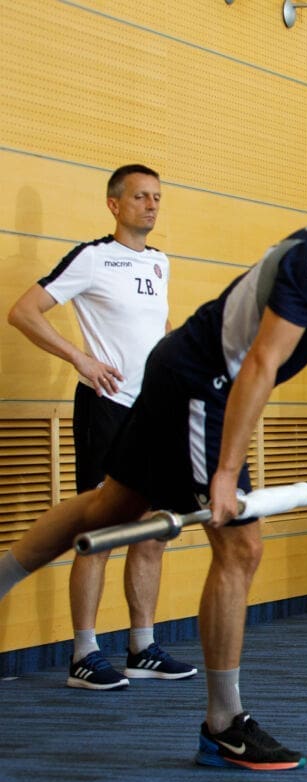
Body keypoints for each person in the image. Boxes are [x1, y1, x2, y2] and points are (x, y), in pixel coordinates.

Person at [0, 156, 307, 768]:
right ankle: (223, 724)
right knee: (242, 547)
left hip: (186, 374)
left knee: (109, 507)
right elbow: (258, 364)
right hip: (202, 382)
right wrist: (225, 476)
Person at [6, 164, 196, 690]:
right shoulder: (92, 257)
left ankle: (143, 647)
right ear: (114, 204)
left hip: (152, 412)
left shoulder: (159, 262)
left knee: (154, 531)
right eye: (140, 197)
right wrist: (79, 358)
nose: (151, 205)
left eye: (157, 197)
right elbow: (24, 312)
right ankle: (84, 654)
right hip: (106, 408)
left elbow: (157, 329)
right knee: (101, 533)